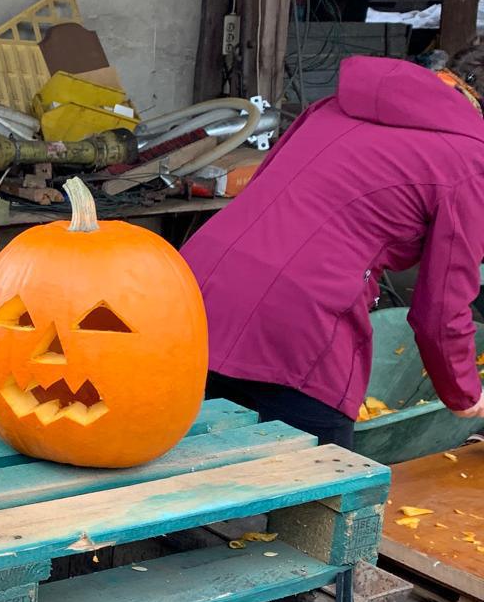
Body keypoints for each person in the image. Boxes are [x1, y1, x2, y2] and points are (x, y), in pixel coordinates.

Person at [181, 53, 484, 450]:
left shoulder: (338, 104)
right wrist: (466, 395)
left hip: (194, 284)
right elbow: (439, 312)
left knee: (183, 465)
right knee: (323, 485)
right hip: (298, 319)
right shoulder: (471, 160)